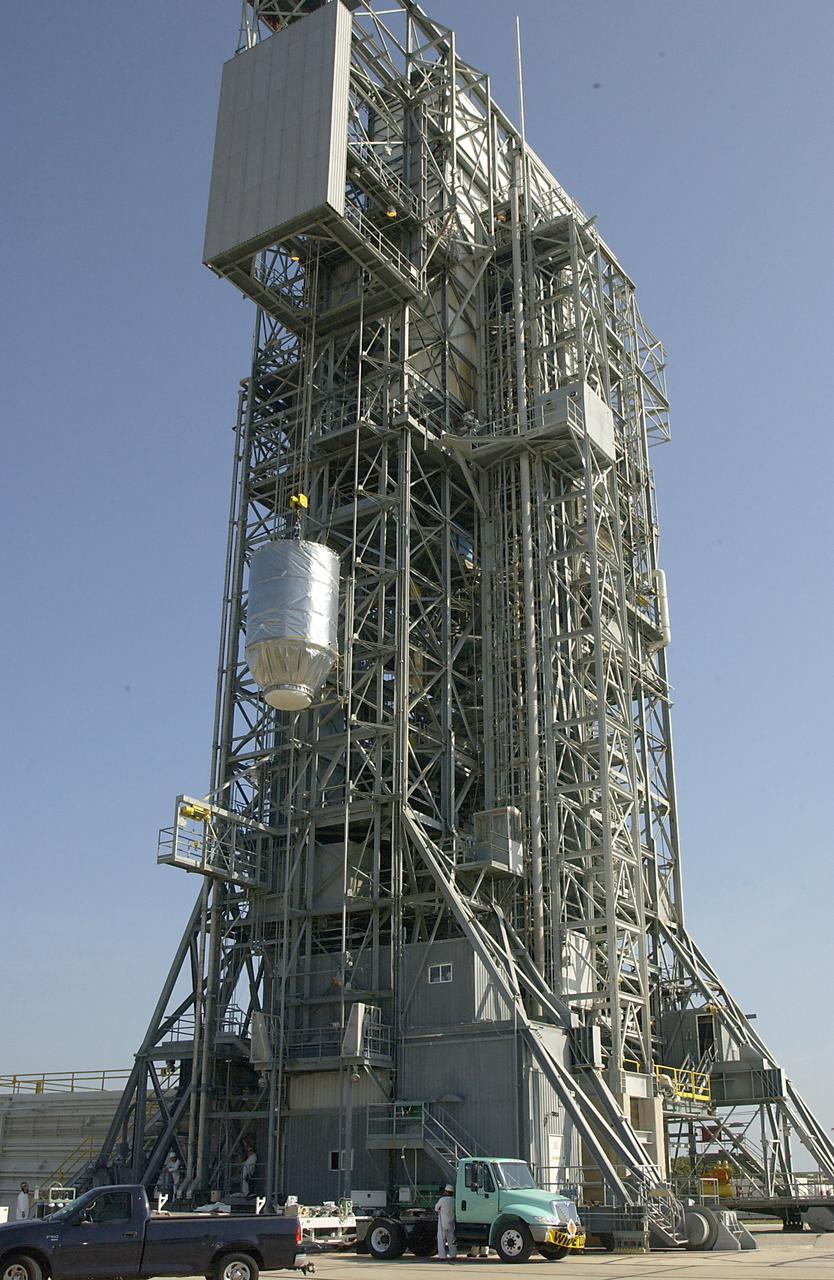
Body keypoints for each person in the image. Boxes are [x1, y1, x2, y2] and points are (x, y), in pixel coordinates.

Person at [434, 1184, 456, 1261]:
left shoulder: (442, 1200)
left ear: (446, 1192)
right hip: (451, 1221)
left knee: (441, 1239)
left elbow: (436, 1208)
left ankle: (442, 1256)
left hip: (443, 1222)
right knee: (451, 1239)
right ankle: (453, 1254)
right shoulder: (454, 1200)